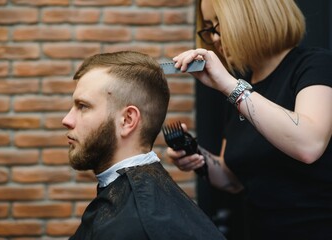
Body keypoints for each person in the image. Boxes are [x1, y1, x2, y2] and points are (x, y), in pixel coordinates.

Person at [167, 0, 332, 239]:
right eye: (209, 28)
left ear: (253, 16)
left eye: (218, 25)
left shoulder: (316, 65)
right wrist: (197, 157)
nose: (214, 38)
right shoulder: (242, 88)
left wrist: (230, 87)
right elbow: (232, 179)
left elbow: (309, 144)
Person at [62, 51, 226, 240]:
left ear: (127, 120)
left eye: (83, 106)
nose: (67, 119)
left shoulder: (134, 227)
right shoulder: (136, 206)